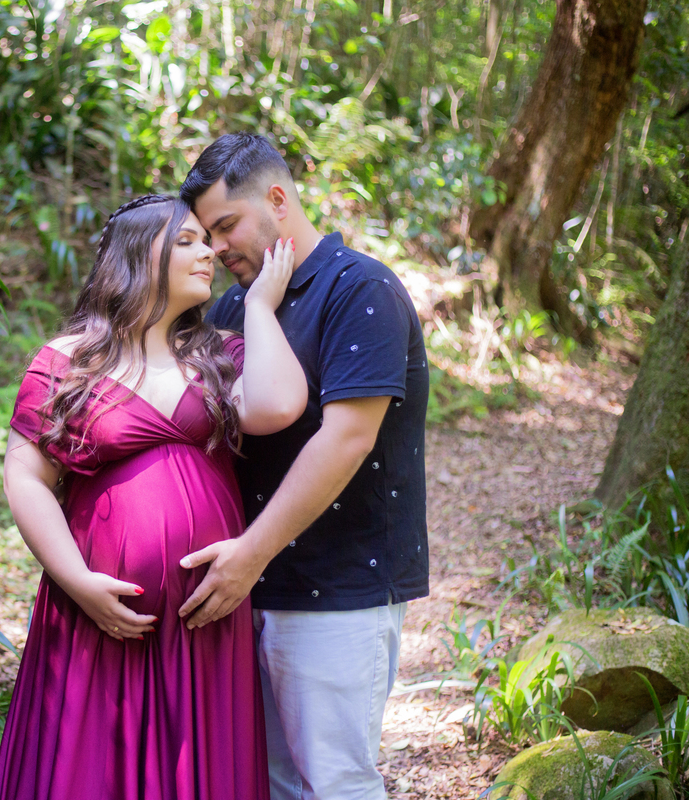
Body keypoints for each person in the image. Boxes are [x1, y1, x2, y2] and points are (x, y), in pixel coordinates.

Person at [0, 194, 308, 800]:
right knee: (88, 765)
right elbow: (26, 475)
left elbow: (278, 406)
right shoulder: (69, 360)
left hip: (203, 617)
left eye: (207, 241)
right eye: (186, 240)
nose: (208, 252)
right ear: (138, 253)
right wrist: (78, 582)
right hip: (97, 611)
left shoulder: (218, 354)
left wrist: (262, 309)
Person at [176, 133, 430, 800]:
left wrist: (248, 555)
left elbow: (346, 439)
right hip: (249, 586)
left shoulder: (362, 290)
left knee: (333, 783)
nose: (216, 246)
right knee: (269, 783)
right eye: (204, 233)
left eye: (226, 224)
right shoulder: (235, 305)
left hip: (338, 588)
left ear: (279, 200)